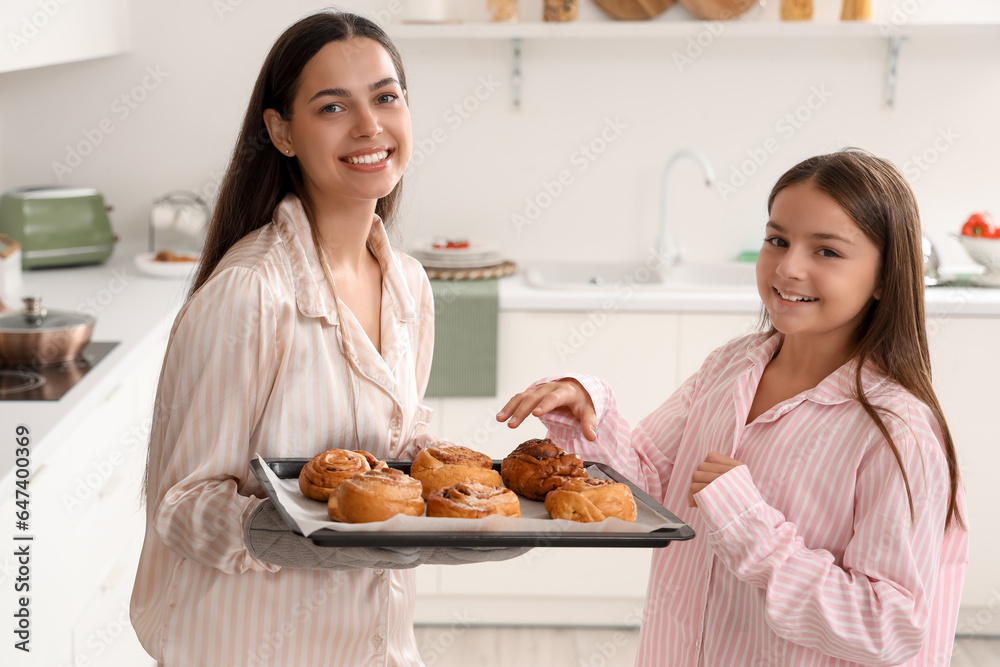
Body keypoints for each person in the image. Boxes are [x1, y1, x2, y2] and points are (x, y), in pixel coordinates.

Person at [497, 149, 969, 666]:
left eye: (827, 252)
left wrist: (749, 525)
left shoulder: (899, 433)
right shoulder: (730, 366)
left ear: (884, 276)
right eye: (778, 240)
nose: (788, 268)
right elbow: (651, 487)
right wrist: (588, 412)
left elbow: (890, 629)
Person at [131, 11, 435, 665]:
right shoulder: (251, 294)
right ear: (281, 131)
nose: (369, 126)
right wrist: (301, 529)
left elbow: (393, 444)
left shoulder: (408, 285)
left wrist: (451, 473)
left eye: (386, 97)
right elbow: (181, 503)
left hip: (377, 644)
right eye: (333, 106)